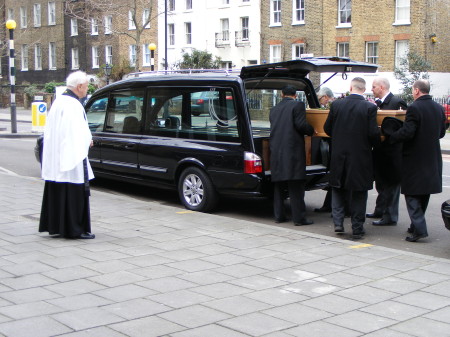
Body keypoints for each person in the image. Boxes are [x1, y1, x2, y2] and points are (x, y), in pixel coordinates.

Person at [387, 79, 446, 242]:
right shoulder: (438, 108)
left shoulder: (414, 108)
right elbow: (441, 132)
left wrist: (392, 137)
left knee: (412, 193)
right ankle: (415, 225)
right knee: (424, 191)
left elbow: (408, 132)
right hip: (432, 156)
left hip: (414, 157)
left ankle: (419, 229)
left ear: (417, 91)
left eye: (413, 90)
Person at [39, 71, 95, 239]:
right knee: (73, 192)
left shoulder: (60, 101)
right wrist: (88, 140)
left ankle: (58, 226)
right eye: (86, 87)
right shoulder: (72, 104)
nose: (86, 90)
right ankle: (74, 228)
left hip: (57, 156)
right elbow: (75, 132)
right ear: (79, 87)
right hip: (70, 157)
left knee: (59, 190)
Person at [324, 77, 380, 239]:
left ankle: (338, 224)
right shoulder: (369, 107)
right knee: (359, 193)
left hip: (339, 155)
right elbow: (373, 134)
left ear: (350, 87)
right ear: (364, 89)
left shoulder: (337, 105)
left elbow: (327, 128)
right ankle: (357, 227)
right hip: (360, 157)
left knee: (338, 189)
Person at [270, 85, 315, 226]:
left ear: (282, 94)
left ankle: (279, 216)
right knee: (296, 185)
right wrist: (312, 130)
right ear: (295, 95)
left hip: (276, 150)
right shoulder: (298, 105)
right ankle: (299, 218)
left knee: (278, 185)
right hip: (293, 151)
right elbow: (301, 125)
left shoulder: (274, 109)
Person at [367, 77, 407, 226]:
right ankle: (380, 210)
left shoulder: (397, 102)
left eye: (374, 86)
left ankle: (390, 216)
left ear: (382, 87)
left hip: (392, 152)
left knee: (391, 186)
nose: (372, 89)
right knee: (381, 183)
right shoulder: (376, 104)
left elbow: (403, 128)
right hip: (380, 151)